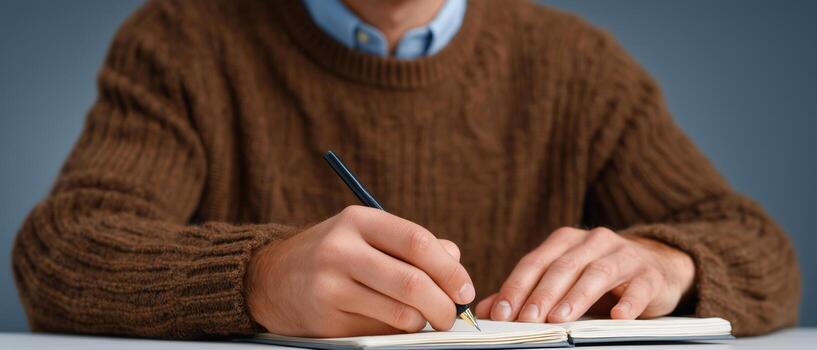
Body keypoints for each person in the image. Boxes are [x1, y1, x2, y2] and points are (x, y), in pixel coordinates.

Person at [12, 0, 799, 340]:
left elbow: (759, 248)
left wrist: (669, 262)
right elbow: (62, 250)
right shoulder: (183, 41)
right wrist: (255, 278)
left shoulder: (578, 68)